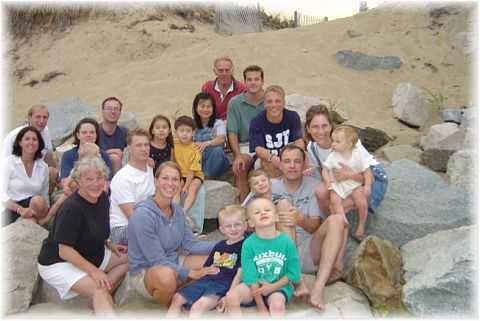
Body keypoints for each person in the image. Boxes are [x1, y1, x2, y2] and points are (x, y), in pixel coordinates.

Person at [37, 156, 128, 317]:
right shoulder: (71, 208)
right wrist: (94, 272)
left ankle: (98, 299)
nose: (95, 183)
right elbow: (64, 251)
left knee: (134, 257)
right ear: (79, 181)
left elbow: (96, 227)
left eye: (99, 177)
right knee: (99, 290)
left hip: (92, 252)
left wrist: (108, 243)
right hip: (60, 261)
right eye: (89, 179)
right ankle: (101, 299)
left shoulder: (103, 199)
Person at [127, 161, 218, 307]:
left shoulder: (177, 210)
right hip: (147, 271)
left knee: (218, 260)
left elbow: (191, 244)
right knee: (166, 277)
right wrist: (190, 273)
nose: (170, 183)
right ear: (156, 181)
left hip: (173, 261)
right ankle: (171, 306)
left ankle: (179, 295)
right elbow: (157, 260)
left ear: (180, 183)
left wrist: (224, 245)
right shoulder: (143, 215)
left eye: (175, 179)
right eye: (165, 178)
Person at [271, 145, 348, 310]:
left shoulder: (314, 185)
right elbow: (247, 216)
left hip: (308, 249)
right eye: (287, 161)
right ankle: (296, 278)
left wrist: (299, 218)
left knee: (337, 220)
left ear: (304, 164)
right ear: (280, 164)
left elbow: (314, 226)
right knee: (283, 204)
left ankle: (318, 289)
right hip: (279, 251)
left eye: (297, 161)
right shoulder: (268, 185)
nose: (292, 166)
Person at [304, 104, 388, 219]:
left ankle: (338, 226)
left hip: (370, 177)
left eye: (324, 126)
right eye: (315, 127)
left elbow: (369, 179)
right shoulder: (312, 148)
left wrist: (349, 175)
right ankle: (329, 222)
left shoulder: (348, 141)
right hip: (343, 180)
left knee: (337, 207)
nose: (321, 131)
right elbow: (324, 174)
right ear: (308, 129)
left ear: (331, 126)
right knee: (320, 192)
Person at [224, 198, 301, 317]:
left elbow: (293, 273)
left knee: (277, 305)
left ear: (276, 217)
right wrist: (260, 306)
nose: (263, 213)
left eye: (267, 210)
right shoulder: (248, 244)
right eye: (257, 212)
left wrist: (272, 287)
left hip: (278, 285)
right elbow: (250, 277)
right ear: (251, 223)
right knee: (231, 297)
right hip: (253, 287)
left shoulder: (287, 242)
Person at [167, 205, 247, 317]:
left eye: (237, 224)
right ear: (222, 229)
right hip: (206, 281)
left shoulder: (246, 246)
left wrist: (230, 293)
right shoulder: (220, 245)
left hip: (222, 286)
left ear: (245, 225)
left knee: (197, 307)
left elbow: (241, 272)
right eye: (228, 226)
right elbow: (206, 268)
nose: (233, 229)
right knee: (176, 298)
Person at [322, 126, 372, 240]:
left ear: (349, 144)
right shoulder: (332, 156)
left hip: (354, 183)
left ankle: (361, 226)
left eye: (337, 142)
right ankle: (343, 220)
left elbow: (367, 171)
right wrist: (327, 180)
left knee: (362, 202)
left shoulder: (357, 154)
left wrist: (368, 185)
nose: (333, 144)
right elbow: (325, 169)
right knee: (334, 200)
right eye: (333, 141)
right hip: (338, 184)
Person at [226, 65, 265, 202]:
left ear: (262, 81)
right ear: (245, 82)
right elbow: (232, 132)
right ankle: (244, 209)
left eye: (256, 79)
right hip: (245, 145)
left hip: (266, 143)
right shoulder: (235, 103)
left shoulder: (269, 100)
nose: (253, 82)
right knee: (240, 166)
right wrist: (237, 155)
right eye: (249, 79)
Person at [109, 128, 155, 245]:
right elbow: (133, 216)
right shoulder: (122, 178)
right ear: (129, 148)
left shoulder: (149, 169)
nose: (144, 149)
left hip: (146, 222)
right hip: (123, 228)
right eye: (138, 145)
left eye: (146, 145)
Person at [249, 85, 303, 178]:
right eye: (269, 102)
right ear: (264, 104)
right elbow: (258, 150)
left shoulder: (292, 117)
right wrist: (273, 158)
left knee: (303, 155)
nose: (274, 105)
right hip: (268, 158)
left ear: (283, 103)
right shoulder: (256, 121)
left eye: (277, 101)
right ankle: (277, 189)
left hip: (289, 156)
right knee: (265, 162)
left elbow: (299, 141)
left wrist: (293, 158)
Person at [2, 104, 58, 193]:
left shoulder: (45, 131)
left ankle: (46, 200)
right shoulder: (15, 136)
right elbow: (4, 163)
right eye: (38, 117)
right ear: (29, 117)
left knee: (53, 172)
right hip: (17, 173)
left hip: (36, 171)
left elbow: (48, 154)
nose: (41, 121)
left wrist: (58, 177)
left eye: (45, 117)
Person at [43, 142, 102, 225]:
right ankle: (48, 217)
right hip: (72, 193)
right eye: (97, 154)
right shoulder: (77, 169)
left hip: (87, 194)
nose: (100, 155)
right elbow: (69, 179)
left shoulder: (98, 169)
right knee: (58, 203)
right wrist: (66, 187)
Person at [1, 126, 49, 226]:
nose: (31, 142)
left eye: (34, 139)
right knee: (29, 222)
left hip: (34, 208)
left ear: (39, 143)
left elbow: (44, 194)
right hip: (11, 206)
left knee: (38, 201)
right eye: (27, 139)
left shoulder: (43, 167)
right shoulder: (9, 162)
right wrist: (20, 209)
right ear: (20, 142)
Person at [59, 118, 113, 197]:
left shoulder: (103, 155)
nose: (88, 135)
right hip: (74, 193)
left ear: (96, 135)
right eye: (84, 132)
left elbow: (107, 181)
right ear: (78, 135)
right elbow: (65, 181)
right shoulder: (68, 155)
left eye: (92, 132)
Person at [192, 92, 230, 178]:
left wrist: (206, 143)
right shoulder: (191, 123)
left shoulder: (218, 123)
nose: (205, 109)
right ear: (196, 108)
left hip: (216, 160)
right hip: (199, 160)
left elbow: (221, 138)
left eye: (208, 107)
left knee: (218, 151)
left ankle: (204, 176)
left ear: (213, 109)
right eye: (202, 106)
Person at [172, 116, 204, 220]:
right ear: (176, 132)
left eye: (188, 131)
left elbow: (192, 171)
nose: (185, 134)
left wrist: (186, 186)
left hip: (194, 175)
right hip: (180, 174)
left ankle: (184, 210)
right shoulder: (174, 144)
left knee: (193, 187)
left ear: (193, 133)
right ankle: (175, 209)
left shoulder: (195, 149)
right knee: (176, 188)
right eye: (181, 131)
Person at [98, 97, 128, 174]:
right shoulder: (94, 131)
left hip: (120, 168)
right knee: (114, 158)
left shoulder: (125, 132)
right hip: (96, 170)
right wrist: (111, 152)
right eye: (109, 108)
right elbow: (86, 151)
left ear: (120, 112)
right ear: (102, 111)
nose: (113, 111)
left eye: (116, 109)